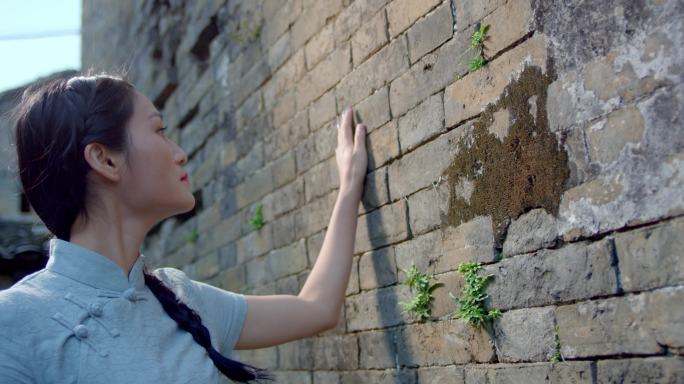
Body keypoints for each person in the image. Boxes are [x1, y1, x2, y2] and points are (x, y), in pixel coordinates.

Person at [0, 72, 367, 383]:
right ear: (105, 159)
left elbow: (317, 308)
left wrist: (349, 189)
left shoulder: (185, 299)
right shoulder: (14, 322)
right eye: (159, 130)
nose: (180, 152)